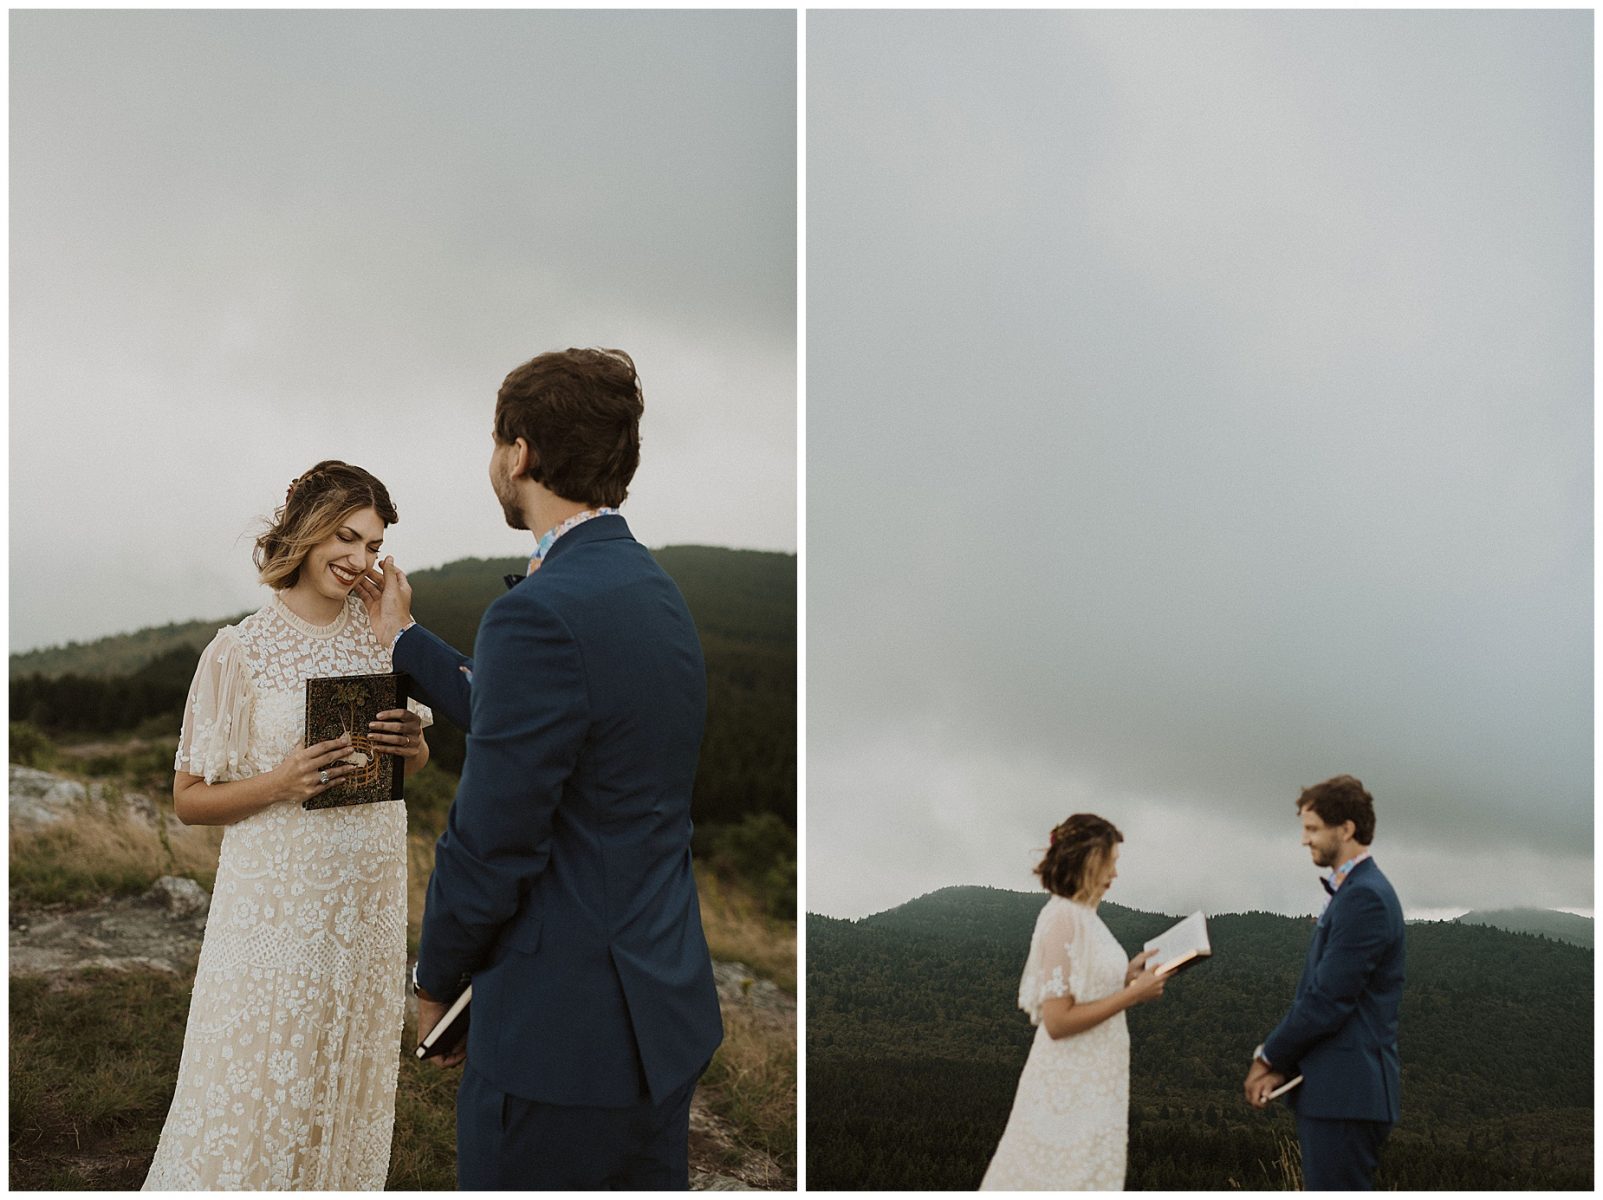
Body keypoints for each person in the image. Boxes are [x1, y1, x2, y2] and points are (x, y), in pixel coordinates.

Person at [358, 347, 723, 1190]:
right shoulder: (654, 591)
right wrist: (405, 644)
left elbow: (492, 841)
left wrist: (436, 980)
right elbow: (545, 727)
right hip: (662, 1013)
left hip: (562, 1043)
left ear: (518, 453)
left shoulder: (540, 615)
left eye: (496, 443)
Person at [142, 461, 433, 1190]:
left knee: (338, 1082)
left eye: (372, 545)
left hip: (364, 907)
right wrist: (279, 782)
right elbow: (187, 797)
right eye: (345, 536)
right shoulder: (238, 651)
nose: (358, 559)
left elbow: (409, 763)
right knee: (258, 1080)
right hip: (275, 910)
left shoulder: (381, 639)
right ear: (304, 533)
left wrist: (414, 747)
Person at [980, 814, 1167, 1190]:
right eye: (1109, 863)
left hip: (1097, 1076)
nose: (1115, 873)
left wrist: (1126, 974)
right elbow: (1057, 1020)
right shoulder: (1063, 917)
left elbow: (1088, 985)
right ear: (1086, 861)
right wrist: (1132, 994)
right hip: (1070, 1079)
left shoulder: (1088, 918)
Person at [1244, 775, 1404, 1191]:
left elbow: (1328, 1000)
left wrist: (1268, 1058)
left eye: (1312, 828)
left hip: (1347, 1096)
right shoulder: (1354, 891)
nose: (1304, 840)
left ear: (1346, 829)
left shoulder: (1364, 897)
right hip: (1338, 1093)